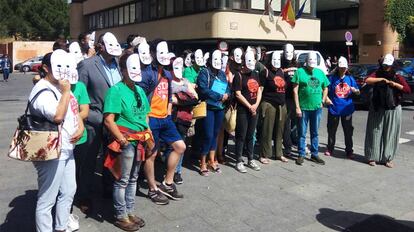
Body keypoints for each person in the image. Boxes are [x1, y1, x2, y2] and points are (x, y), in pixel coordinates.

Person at [30, 50, 84, 232]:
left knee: (69, 191)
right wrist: (67, 91)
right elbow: (57, 116)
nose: (64, 71)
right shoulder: (43, 89)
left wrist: (81, 126)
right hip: (51, 150)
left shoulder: (60, 86)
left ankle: (61, 227)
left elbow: (74, 110)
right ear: (46, 68)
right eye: (58, 67)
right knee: (47, 199)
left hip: (67, 148)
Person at [78, 32, 123, 213]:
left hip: (114, 120)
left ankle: (108, 188)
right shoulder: (87, 65)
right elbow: (80, 92)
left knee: (111, 157)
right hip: (94, 120)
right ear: (101, 46)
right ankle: (84, 195)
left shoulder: (119, 65)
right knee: (88, 160)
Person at [136, 40, 186, 205]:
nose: (163, 57)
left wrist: (169, 110)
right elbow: (140, 97)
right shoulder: (147, 73)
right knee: (151, 154)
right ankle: (152, 189)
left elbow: (170, 93)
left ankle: (167, 183)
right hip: (151, 119)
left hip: (165, 118)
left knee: (180, 146)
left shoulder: (167, 73)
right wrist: (145, 120)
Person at [103, 53, 149, 231]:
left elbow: (145, 114)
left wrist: (148, 135)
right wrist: (122, 140)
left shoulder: (139, 90)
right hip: (126, 140)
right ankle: (120, 215)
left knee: (133, 178)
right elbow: (109, 119)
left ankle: (130, 212)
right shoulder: (115, 90)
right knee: (122, 180)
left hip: (140, 140)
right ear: (123, 70)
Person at [364, 54, 411, 167]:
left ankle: (388, 158)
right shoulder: (377, 73)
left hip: (393, 108)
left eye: (388, 65)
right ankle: (372, 157)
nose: (386, 67)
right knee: (375, 132)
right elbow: (368, 80)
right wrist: (381, 79)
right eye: (385, 65)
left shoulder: (397, 76)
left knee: (390, 133)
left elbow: (407, 90)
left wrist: (394, 84)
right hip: (377, 107)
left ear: (392, 65)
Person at [292, 52, 330, 166]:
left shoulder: (320, 72)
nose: (311, 67)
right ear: (306, 62)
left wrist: (323, 100)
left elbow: (326, 87)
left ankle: (314, 154)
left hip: (316, 108)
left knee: (315, 132)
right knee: (302, 132)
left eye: (313, 65)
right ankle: (301, 154)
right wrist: (297, 107)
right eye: (310, 64)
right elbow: (294, 90)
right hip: (304, 108)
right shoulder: (299, 72)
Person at [197, 50, 230, 176]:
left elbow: (227, 88)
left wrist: (227, 95)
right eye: (214, 59)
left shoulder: (222, 74)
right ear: (210, 60)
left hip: (219, 108)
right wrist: (218, 96)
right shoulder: (204, 72)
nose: (217, 62)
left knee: (216, 134)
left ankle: (212, 160)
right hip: (208, 107)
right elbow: (203, 89)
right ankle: (203, 162)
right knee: (208, 135)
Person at [167, 57, 198, 184]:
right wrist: (185, 98)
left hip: (184, 119)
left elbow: (195, 98)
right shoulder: (168, 81)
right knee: (171, 147)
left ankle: (177, 172)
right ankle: (169, 171)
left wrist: (179, 99)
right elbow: (170, 99)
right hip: (172, 118)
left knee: (182, 146)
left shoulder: (185, 80)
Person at [233, 50, 262, 172]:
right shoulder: (238, 75)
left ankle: (250, 159)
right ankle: (238, 160)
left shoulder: (255, 73)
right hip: (243, 110)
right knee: (241, 135)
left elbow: (259, 89)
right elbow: (238, 94)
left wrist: (255, 105)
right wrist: (249, 106)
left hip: (254, 109)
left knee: (251, 135)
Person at [325, 56, 359, 158]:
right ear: (338, 68)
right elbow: (325, 89)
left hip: (347, 110)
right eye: (341, 68)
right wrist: (326, 98)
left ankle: (349, 150)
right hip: (334, 108)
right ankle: (330, 148)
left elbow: (358, 92)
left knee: (348, 131)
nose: (343, 70)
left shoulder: (350, 79)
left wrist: (355, 91)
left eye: (344, 68)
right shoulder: (332, 78)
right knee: (331, 130)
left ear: (347, 68)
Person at [259, 51, 288, 164]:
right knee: (267, 130)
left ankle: (278, 153)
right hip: (269, 103)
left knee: (279, 130)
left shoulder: (281, 71)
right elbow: (260, 88)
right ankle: (264, 154)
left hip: (281, 104)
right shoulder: (265, 72)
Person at [281, 43, 299, 157]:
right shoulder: (280, 65)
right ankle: (287, 147)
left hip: (296, 98)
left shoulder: (298, 65)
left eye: (290, 52)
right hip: (285, 98)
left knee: (296, 123)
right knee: (286, 124)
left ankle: (295, 142)